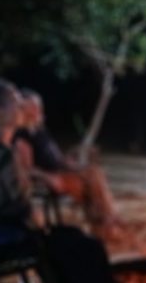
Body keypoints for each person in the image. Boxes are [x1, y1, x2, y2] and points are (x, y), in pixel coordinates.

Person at [0, 78, 118, 283]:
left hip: (14, 229)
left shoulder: (0, 149)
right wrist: (35, 224)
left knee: (80, 242)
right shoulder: (0, 154)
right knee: (83, 247)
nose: (22, 109)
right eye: (15, 103)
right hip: (12, 235)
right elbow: (0, 206)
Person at [15, 88, 117, 231]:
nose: (38, 109)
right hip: (50, 178)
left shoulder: (40, 131)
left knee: (94, 172)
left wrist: (72, 163)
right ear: (24, 109)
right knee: (90, 185)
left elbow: (56, 158)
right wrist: (47, 177)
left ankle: (105, 219)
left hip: (61, 171)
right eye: (33, 106)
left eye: (39, 105)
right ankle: (104, 221)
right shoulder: (22, 136)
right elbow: (26, 169)